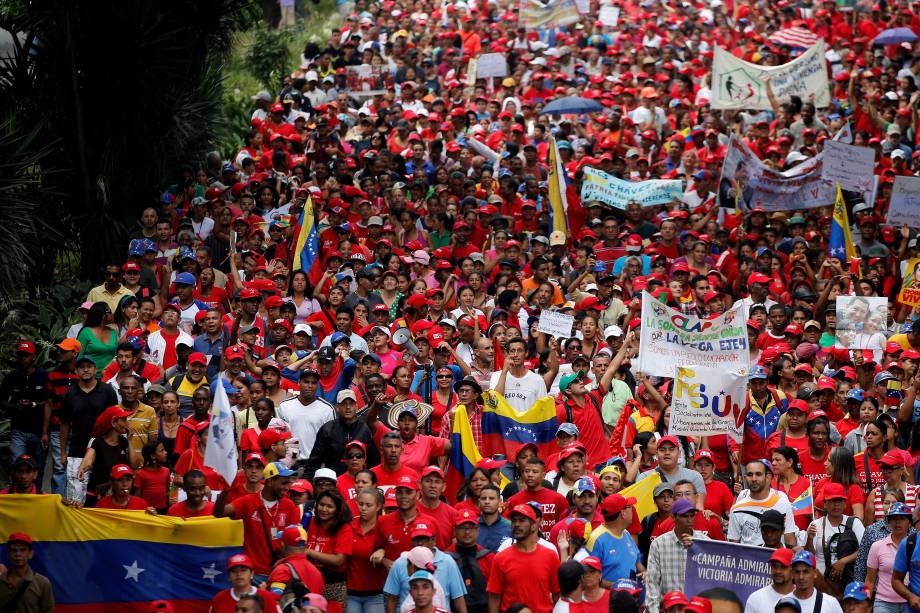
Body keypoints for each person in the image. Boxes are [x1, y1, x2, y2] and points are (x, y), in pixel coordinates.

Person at [215, 461, 302, 584]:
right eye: (284, 483)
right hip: (254, 575)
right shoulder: (248, 501)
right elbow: (219, 513)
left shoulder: (290, 506)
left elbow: (295, 544)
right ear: (270, 481)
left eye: (289, 482)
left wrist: (284, 563)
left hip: (281, 574)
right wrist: (226, 490)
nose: (288, 487)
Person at [487, 504, 560, 613]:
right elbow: (494, 596)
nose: (516, 524)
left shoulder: (550, 556)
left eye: (522, 520)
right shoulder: (500, 558)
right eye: (514, 521)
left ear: (534, 526)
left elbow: (557, 594)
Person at [646, 498, 707, 613]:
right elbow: (652, 583)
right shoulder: (659, 544)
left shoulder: (705, 542)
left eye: (692, 515)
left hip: (696, 609)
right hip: (669, 609)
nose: (689, 519)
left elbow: (714, 576)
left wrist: (697, 548)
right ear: (673, 517)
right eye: (684, 516)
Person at [304, 389, 379, 479]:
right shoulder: (327, 429)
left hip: (360, 482)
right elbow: (314, 461)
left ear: (356, 406)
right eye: (343, 404)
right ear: (337, 407)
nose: (348, 407)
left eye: (351, 404)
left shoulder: (366, 429)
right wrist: (307, 484)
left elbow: (374, 461)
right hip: (333, 482)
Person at [728, 460, 798, 548]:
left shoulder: (783, 504)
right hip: (749, 559)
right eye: (750, 475)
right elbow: (734, 547)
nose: (754, 479)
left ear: (767, 477)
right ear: (745, 478)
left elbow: (790, 540)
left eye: (758, 474)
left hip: (776, 559)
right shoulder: (736, 509)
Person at [585, 493, 643, 585]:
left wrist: (645, 573)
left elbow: (637, 563)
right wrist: (620, 586)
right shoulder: (596, 539)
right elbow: (589, 578)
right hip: (609, 598)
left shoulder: (626, 533)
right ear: (623, 513)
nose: (633, 509)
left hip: (630, 597)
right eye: (630, 506)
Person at [866, 502, 911, 613]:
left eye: (902, 518)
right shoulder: (877, 546)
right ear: (888, 522)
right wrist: (866, 603)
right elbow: (870, 580)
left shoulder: (916, 546)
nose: (897, 522)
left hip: (911, 601)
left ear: (909, 523)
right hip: (883, 603)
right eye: (894, 518)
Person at [446, 510, 494, 613]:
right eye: (462, 528)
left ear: (478, 530)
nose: (467, 532)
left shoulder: (489, 558)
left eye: (471, 528)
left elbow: (494, 594)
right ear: (454, 530)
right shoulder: (446, 559)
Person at [0, 532, 54, 613]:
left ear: (30, 554)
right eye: (14, 550)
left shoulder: (42, 583)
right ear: (9, 554)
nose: (18, 554)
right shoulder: (1, 580)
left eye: (23, 550)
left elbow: (48, 610)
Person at [209, 553, 281, 613]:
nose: (239, 574)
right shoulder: (219, 598)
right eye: (234, 571)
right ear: (229, 576)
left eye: (243, 570)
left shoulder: (267, 598)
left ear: (252, 574)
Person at [744, 549, 795, 613]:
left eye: (783, 567)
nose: (778, 571)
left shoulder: (805, 597)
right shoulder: (756, 599)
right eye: (774, 566)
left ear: (793, 570)